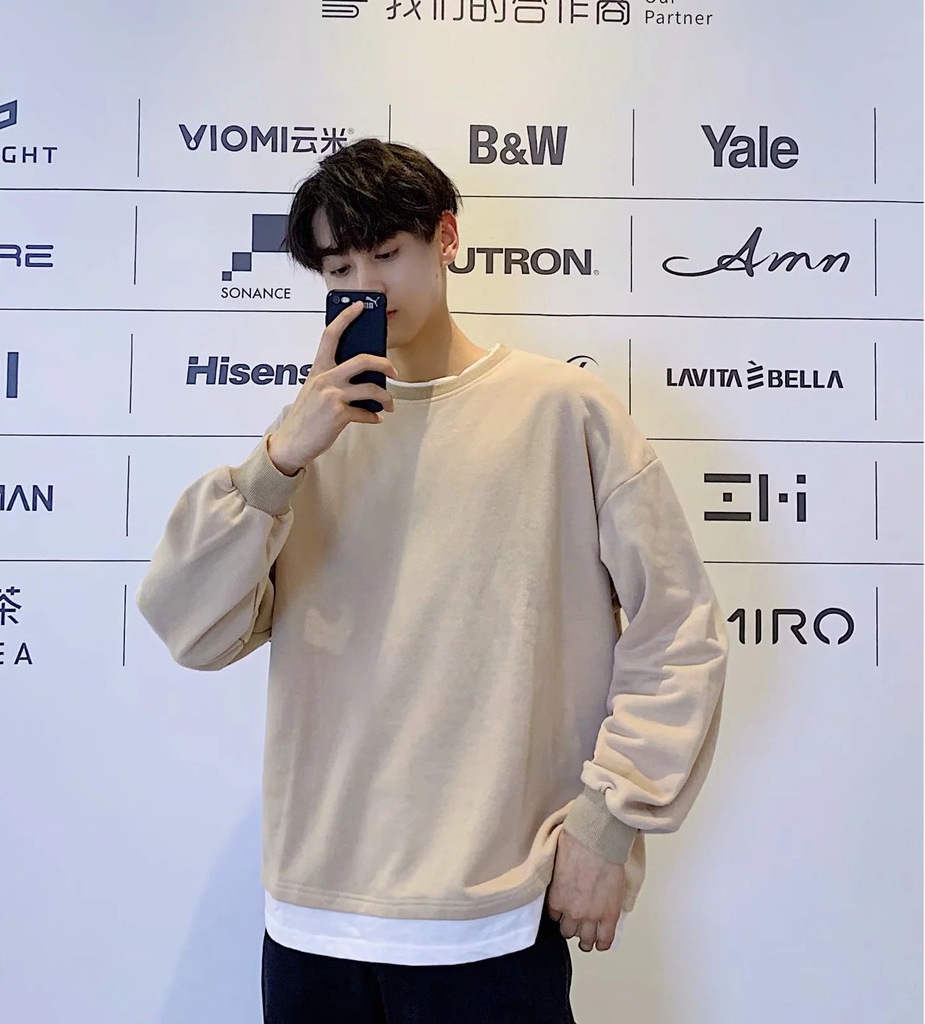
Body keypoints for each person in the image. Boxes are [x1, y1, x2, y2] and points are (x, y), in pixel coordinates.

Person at [137, 138, 728, 1023]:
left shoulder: (562, 410)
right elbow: (190, 628)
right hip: (313, 921)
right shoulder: (307, 440)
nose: (367, 286)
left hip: (490, 919)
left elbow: (677, 628)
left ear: (445, 238)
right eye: (341, 268)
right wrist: (281, 459)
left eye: (387, 254)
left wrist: (609, 820)